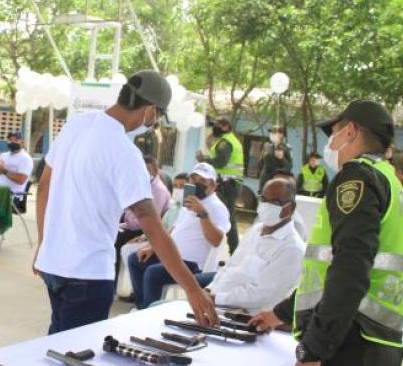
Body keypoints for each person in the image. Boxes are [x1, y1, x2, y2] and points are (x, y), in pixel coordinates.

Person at [250, 99, 403, 366]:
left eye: (335, 132)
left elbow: (350, 270)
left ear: (351, 131)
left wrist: (314, 351)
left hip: (346, 352)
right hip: (375, 349)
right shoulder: (391, 182)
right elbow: (332, 274)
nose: (331, 143)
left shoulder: (356, 177)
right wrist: (280, 313)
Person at [35, 70, 219, 333]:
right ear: (150, 110)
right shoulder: (125, 153)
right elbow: (153, 228)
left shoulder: (76, 124)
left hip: (53, 264)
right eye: (157, 115)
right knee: (74, 357)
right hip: (87, 273)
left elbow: (43, 188)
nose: (154, 122)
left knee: (56, 343)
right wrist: (193, 289)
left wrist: (44, 246)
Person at [128, 162, 230, 309]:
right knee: (135, 259)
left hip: (194, 263)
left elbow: (217, 240)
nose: (196, 183)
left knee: (153, 273)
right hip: (174, 255)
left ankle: (146, 312)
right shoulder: (189, 201)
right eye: (193, 179)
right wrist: (153, 247)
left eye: (202, 181)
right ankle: (142, 306)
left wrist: (202, 213)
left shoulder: (217, 207)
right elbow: (176, 229)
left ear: (213, 185)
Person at [194, 178, 305, 312]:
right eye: (263, 200)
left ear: (290, 208)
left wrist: (215, 298)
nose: (266, 205)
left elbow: (260, 295)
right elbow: (230, 267)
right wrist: (209, 290)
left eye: (275, 202)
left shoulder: (292, 249)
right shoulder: (255, 230)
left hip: (243, 318)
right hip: (217, 305)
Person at [115, 155, 172, 293]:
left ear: (155, 171)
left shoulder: (158, 189)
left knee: (115, 242)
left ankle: (112, 283)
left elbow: (149, 218)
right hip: (131, 224)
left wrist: (122, 226)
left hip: (144, 229)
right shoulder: (143, 184)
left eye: (147, 169)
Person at [196, 116, 244, 254]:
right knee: (218, 214)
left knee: (229, 218)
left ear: (226, 126)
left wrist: (203, 160)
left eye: (217, 125)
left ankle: (234, 253)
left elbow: (221, 162)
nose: (214, 128)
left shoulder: (226, 143)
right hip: (228, 183)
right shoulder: (229, 140)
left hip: (228, 184)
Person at [0, 131, 34, 201]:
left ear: (22, 142)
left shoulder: (25, 158)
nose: (12, 142)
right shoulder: (3, 155)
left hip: (12, 196)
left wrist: (4, 171)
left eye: (16, 140)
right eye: (10, 140)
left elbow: (21, 180)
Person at [259, 125, 292, 192]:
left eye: (274, 133)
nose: (271, 135)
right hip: (265, 179)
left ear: (281, 135)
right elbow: (260, 163)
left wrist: (282, 158)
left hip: (279, 179)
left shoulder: (287, 148)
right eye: (271, 133)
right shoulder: (267, 146)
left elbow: (289, 166)